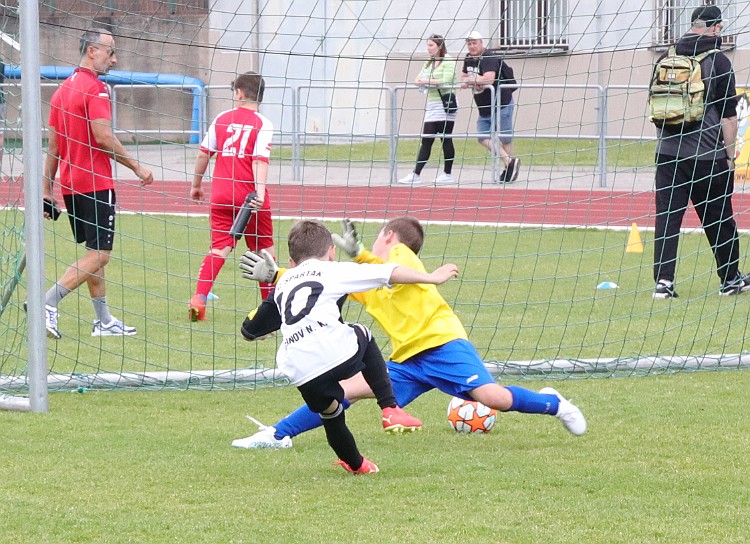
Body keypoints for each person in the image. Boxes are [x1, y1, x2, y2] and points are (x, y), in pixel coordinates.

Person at [233, 216, 586, 450]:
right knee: (344, 393)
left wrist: (362, 253)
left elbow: (393, 266)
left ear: (389, 237)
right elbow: (317, 284)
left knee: (494, 399)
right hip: (408, 360)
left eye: (379, 240)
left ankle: (555, 404)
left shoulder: (402, 256)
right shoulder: (366, 281)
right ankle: (278, 435)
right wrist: (277, 275)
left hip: (443, 344)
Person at [255, 219, 456, 474]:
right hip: (334, 354)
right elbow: (390, 273)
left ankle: (357, 464)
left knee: (332, 414)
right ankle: (390, 408)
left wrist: (259, 329)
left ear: (292, 259)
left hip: (300, 370)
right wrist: (431, 278)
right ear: (331, 251)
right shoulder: (335, 270)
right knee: (362, 333)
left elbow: (250, 329)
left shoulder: (283, 282)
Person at [41, 28, 153, 339]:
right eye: (110, 51)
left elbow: (53, 148)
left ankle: (103, 321)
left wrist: (45, 192)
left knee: (94, 251)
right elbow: (103, 137)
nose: (114, 59)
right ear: (92, 51)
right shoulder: (96, 89)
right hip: (95, 183)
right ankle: (47, 303)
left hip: (71, 185)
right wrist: (137, 166)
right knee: (100, 255)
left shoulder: (62, 90)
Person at [651, 6, 749, 299]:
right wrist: (729, 156)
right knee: (719, 219)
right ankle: (730, 279)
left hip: (668, 155)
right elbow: (729, 117)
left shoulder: (665, 57)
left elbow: (657, 107)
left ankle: (663, 283)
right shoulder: (719, 62)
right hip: (707, 157)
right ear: (717, 28)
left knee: (668, 218)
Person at [188, 71, 275, 321]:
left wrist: (196, 185)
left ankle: (199, 300)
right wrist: (258, 193)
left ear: (238, 93)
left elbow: (204, 153)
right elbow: (260, 161)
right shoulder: (263, 123)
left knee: (219, 250)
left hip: (222, 195)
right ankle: (268, 312)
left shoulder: (222, 118)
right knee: (264, 252)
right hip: (250, 197)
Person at [397, 34, 458, 185]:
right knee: (426, 139)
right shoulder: (429, 62)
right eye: (428, 45)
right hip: (432, 105)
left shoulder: (448, 61)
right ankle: (416, 174)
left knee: (445, 138)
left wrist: (428, 81)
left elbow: (446, 80)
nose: (428, 48)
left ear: (439, 46)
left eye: (431, 45)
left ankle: (447, 173)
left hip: (445, 104)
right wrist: (424, 82)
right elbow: (417, 79)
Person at [460, 31, 519, 183]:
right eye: (469, 43)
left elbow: (489, 79)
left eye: (475, 43)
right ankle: (510, 161)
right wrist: (473, 80)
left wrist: (472, 80)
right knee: (482, 137)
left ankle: (509, 171)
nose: (472, 46)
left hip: (501, 103)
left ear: (481, 43)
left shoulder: (488, 56)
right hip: (484, 105)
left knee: (505, 138)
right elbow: (463, 78)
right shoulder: (468, 58)